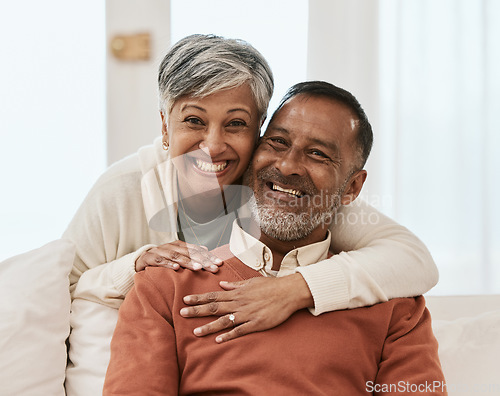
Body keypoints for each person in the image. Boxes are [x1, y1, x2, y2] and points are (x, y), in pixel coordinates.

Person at [65, 34, 437, 342]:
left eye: (235, 124)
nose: (212, 145)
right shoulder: (124, 189)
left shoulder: (276, 188)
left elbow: (412, 259)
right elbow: (63, 292)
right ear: (165, 127)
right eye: (193, 120)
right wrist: (134, 265)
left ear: (259, 129)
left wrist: (294, 289)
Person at [103, 81, 446, 395]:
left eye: (318, 154)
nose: (287, 166)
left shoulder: (395, 304)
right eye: (278, 142)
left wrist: (298, 289)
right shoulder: (165, 286)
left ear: (352, 188)